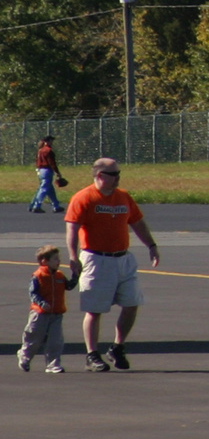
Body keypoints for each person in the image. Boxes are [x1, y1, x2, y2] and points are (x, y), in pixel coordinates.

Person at [64, 158, 159, 372]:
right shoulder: (83, 198)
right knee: (94, 309)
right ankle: (92, 354)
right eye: (113, 174)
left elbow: (137, 222)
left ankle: (117, 347)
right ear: (99, 176)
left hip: (123, 259)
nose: (118, 178)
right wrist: (72, 256)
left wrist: (151, 245)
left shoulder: (123, 197)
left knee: (132, 303)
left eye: (119, 174)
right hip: (96, 259)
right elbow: (72, 229)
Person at [18, 244, 73, 374]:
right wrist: (41, 303)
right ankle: (25, 357)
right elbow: (33, 293)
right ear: (44, 261)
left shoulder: (59, 275)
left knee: (55, 340)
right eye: (55, 259)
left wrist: (76, 275)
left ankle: (53, 364)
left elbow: (69, 286)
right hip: (40, 313)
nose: (58, 261)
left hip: (56, 313)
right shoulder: (38, 275)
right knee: (34, 337)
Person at [29, 136, 66, 214]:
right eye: (51, 141)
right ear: (47, 141)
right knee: (43, 189)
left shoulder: (40, 150)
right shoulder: (48, 150)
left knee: (50, 190)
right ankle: (36, 206)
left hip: (40, 170)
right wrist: (57, 173)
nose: (52, 142)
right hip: (47, 170)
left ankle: (56, 206)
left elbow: (37, 161)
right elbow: (52, 163)